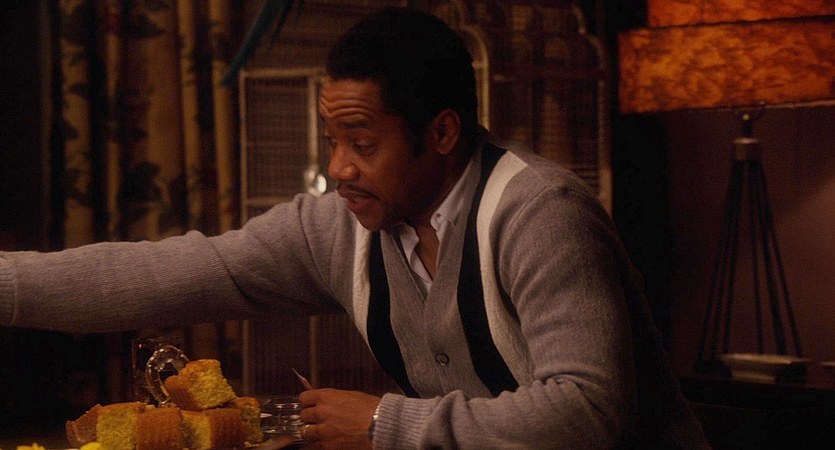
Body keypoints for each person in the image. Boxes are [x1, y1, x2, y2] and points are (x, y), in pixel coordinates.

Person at [0, 7, 709, 449]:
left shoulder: (541, 215)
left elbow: (587, 413)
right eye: (332, 141)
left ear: (441, 133)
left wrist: (382, 425)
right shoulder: (341, 228)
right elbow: (166, 274)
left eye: (363, 144)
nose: (338, 168)